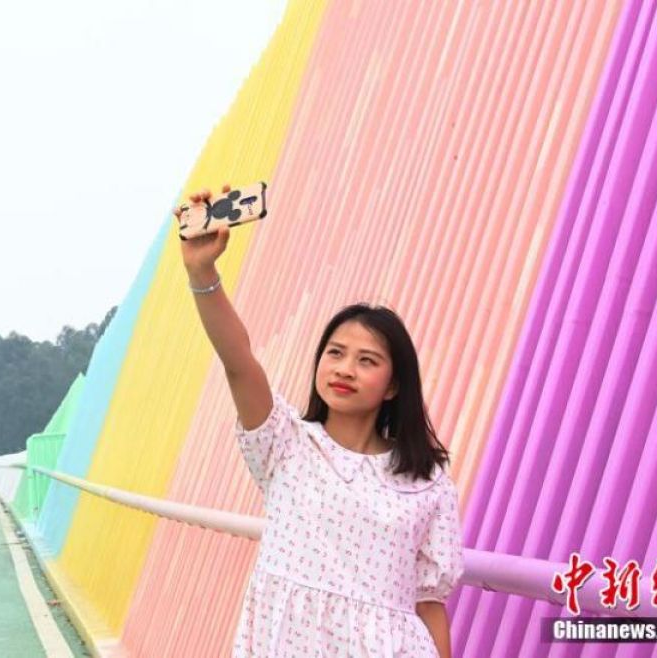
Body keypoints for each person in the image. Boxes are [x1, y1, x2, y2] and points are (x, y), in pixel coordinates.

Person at [175, 186, 465, 658]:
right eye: (335, 353)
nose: (345, 369)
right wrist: (202, 273)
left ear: (394, 385)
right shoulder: (284, 444)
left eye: (367, 360)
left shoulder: (427, 481)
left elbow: (429, 605)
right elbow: (238, 361)